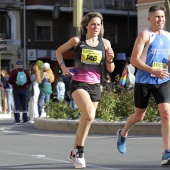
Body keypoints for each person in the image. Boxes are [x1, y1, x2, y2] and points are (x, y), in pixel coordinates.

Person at [55, 12, 115, 169]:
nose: (96, 27)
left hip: (96, 85)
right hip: (79, 84)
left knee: (86, 119)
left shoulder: (106, 43)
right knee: (89, 115)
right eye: (93, 24)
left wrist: (110, 58)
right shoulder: (78, 41)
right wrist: (63, 67)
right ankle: (80, 152)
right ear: (86, 25)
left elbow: (110, 69)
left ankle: (73, 152)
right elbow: (59, 51)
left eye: (99, 24)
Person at [117, 5, 170, 166]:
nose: (160, 19)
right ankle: (123, 133)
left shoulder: (168, 36)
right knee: (139, 115)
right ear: (149, 19)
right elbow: (134, 60)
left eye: (162, 16)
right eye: (156, 17)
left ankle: (167, 151)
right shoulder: (145, 35)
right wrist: (152, 70)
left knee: (166, 114)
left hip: (163, 80)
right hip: (144, 81)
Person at [8, 60, 32, 124]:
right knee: (24, 104)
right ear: (22, 65)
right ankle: (25, 119)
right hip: (24, 90)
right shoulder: (26, 72)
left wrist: (15, 84)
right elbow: (29, 81)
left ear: (16, 65)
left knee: (17, 104)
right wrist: (25, 84)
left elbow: (9, 81)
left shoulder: (14, 72)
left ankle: (17, 120)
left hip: (16, 90)